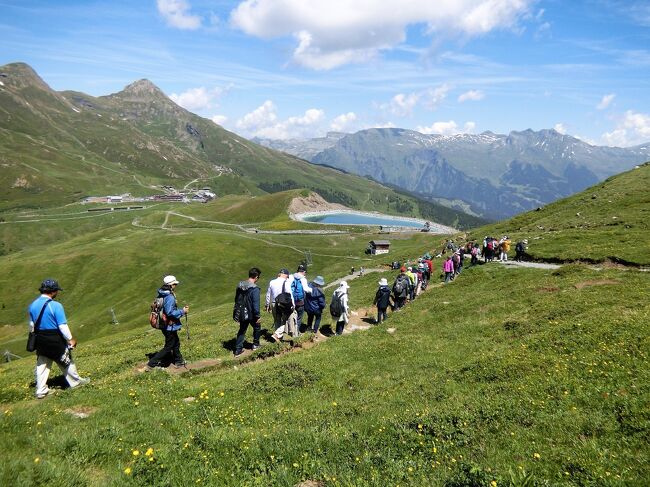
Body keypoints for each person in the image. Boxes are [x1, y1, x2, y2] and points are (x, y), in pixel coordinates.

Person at [28, 279, 90, 399]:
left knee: (42, 364)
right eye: (56, 290)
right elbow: (62, 325)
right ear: (52, 291)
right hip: (54, 338)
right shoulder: (55, 306)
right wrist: (70, 339)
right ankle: (76, 382)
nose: (57, 293)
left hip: (40, 339)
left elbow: (31, 325)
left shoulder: (33, 305)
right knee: (66, 359)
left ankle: (41, 391)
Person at [148, 275, 190, 368]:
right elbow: (169, 312)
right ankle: (151, 364)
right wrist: (183, 311)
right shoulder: (169, 297)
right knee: (169, 346)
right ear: (171, 285)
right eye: (175, 284)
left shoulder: (161, 293)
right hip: (169, 326)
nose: (176, 285)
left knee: (176, 343)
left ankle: (179, 361)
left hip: (164, 324)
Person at [234, 267, 262, 357]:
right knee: (257, 327)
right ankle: (255, 345)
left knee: (242, 330)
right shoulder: (255, 289)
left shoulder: (240, 285)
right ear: (256, 277)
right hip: (251, 313)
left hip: (241, 312)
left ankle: (238, 350)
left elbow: (236, 299)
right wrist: (258, 316)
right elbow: (256, 304)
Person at [266, 268, 295, 341]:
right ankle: (277, 334)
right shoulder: (286, 282)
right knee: (284, 319)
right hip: (283, 304)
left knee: (277, 320)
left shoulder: (272, 282)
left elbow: (268, 294)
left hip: (273, 303)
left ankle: (278, 338)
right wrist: (293, 305)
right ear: (285, 275)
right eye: (287, 276)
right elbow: (290, 295)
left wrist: (267, 305)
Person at [288, 264, 312, 332]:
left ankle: (289, 330)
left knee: (291, 316)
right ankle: (296, 331)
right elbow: (306, 289)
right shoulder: (303, 279)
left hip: (291, 301)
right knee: (299, 317)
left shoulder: (290, 276)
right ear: (304, 271)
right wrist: (313, 290)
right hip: (300, 302)